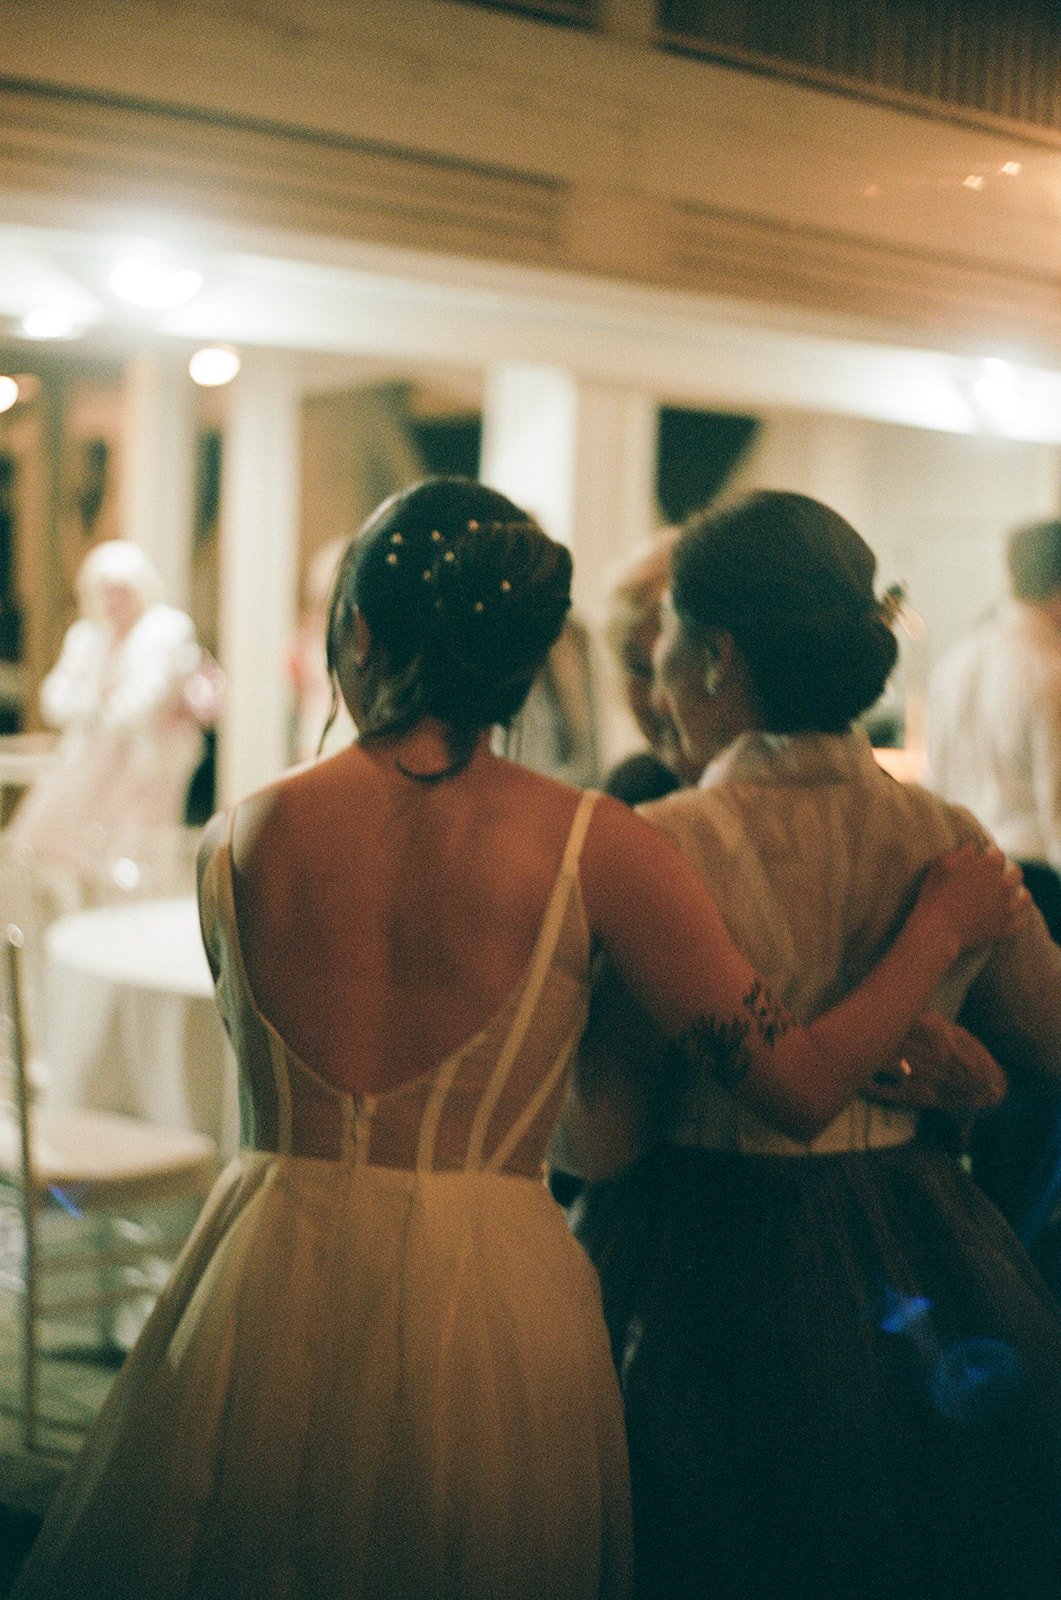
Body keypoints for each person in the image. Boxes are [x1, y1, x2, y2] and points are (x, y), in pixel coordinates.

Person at [10, 480, 1026, 1600]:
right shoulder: (597, 845)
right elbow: (791, 1083)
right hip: (485, 1279)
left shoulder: (241, 832)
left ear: (354, 629)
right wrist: (932, 929)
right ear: (530, 658)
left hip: (268, 1256)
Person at [567, 491, 1061, 1600]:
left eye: (668, 644)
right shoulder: (945, 837)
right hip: (916, 1243)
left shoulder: (664, 844)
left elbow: (598, 1136)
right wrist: (963, 1077)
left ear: (713, 657)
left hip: (694, 1250)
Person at [927, 518, 1061, 1269]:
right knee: (1041, 1084)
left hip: (964, 874)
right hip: (1038, 882)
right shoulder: (1048, 667)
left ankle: (975, 1241)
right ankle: (1013, 1259)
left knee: (983, 1070)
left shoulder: (959, 658)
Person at [7, 540, 213, 902]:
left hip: (148, 765)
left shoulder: (166, 630)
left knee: (135, 856)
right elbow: (54, 698)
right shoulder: (87, 636)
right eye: (106, 591)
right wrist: (97, 706)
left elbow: (141, 703)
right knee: (59, 845)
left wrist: (97, 709)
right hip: (90, 762)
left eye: (122, 590)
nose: (114, 600)